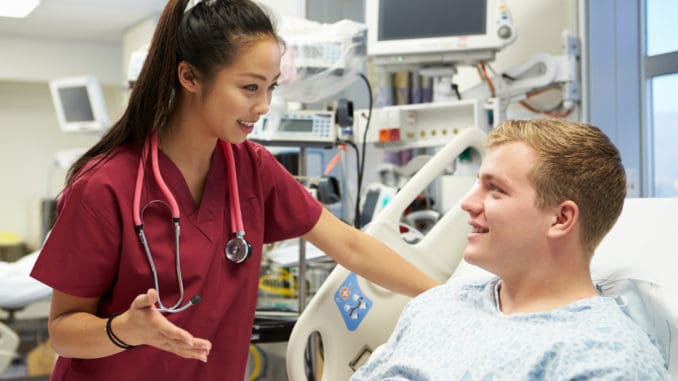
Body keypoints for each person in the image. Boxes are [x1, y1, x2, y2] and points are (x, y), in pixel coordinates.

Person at [29, 0, 438, 379]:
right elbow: (63, 330)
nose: (263, 106)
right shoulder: (105, 187)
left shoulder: (251, 168)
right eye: (249, 88)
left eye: (271, 87)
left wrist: (446, 297)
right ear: (189, 76)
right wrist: (125, 330)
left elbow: (350, 246)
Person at [351, 119, 669, 380]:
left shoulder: (607, 358)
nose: (467, 202)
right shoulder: (436, 306)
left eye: (496, 190)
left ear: (560, 218)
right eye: (478, 184)